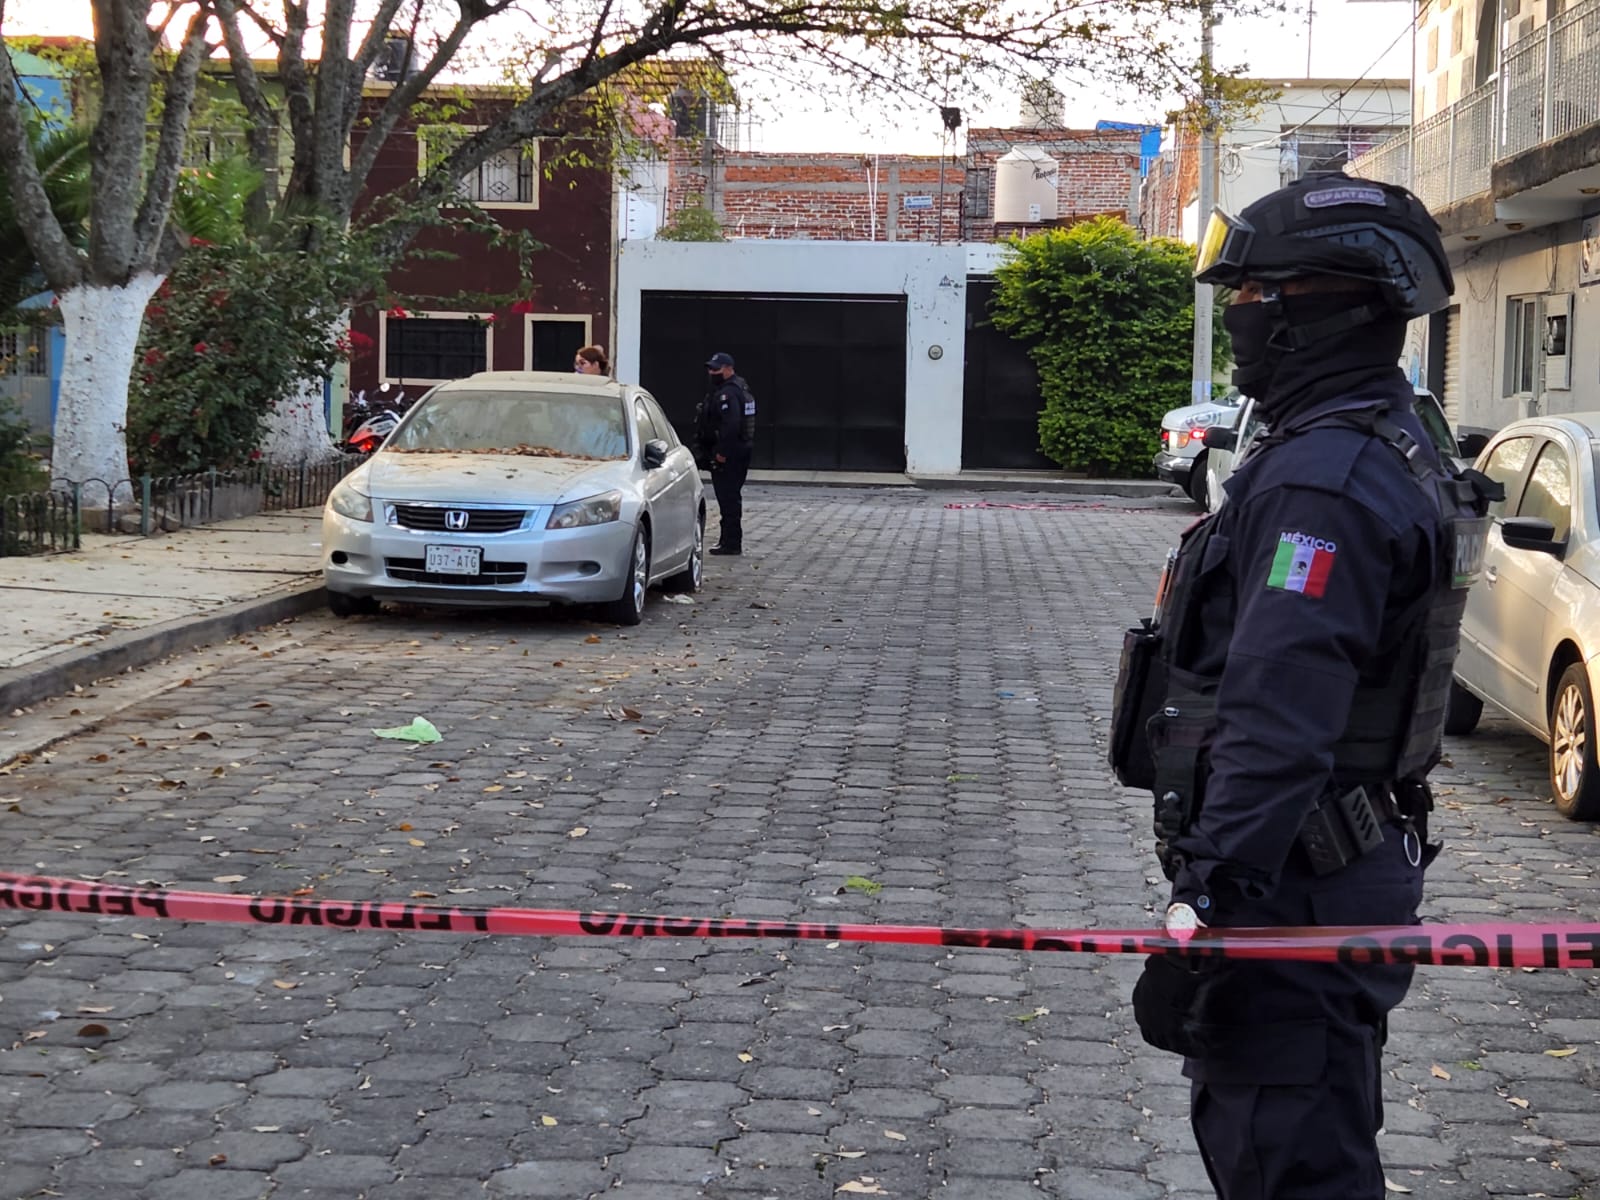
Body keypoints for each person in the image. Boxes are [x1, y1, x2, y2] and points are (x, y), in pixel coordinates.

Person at [1112, 175, 1498, 1199]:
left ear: (1320, 306)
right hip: (1336, 866)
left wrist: (1208, 907)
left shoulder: (1321, 482)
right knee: (1309, 1134)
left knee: (1285, 1160)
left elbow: (1280, 714)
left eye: (1254, 295)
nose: (1237, 321)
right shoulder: (1384, 441)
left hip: (1289, 889)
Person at [695, 351, 755, 556]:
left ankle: (731, 542)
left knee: (728, 498)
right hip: (739, 451)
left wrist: (721, 453)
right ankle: (729, 540)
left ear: (729, 369)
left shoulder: (728, 393)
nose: (712, 372)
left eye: (716, 369)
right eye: (710, 368)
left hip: (730, 455)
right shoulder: (739, 387)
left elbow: (731, 425)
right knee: (730, 497)